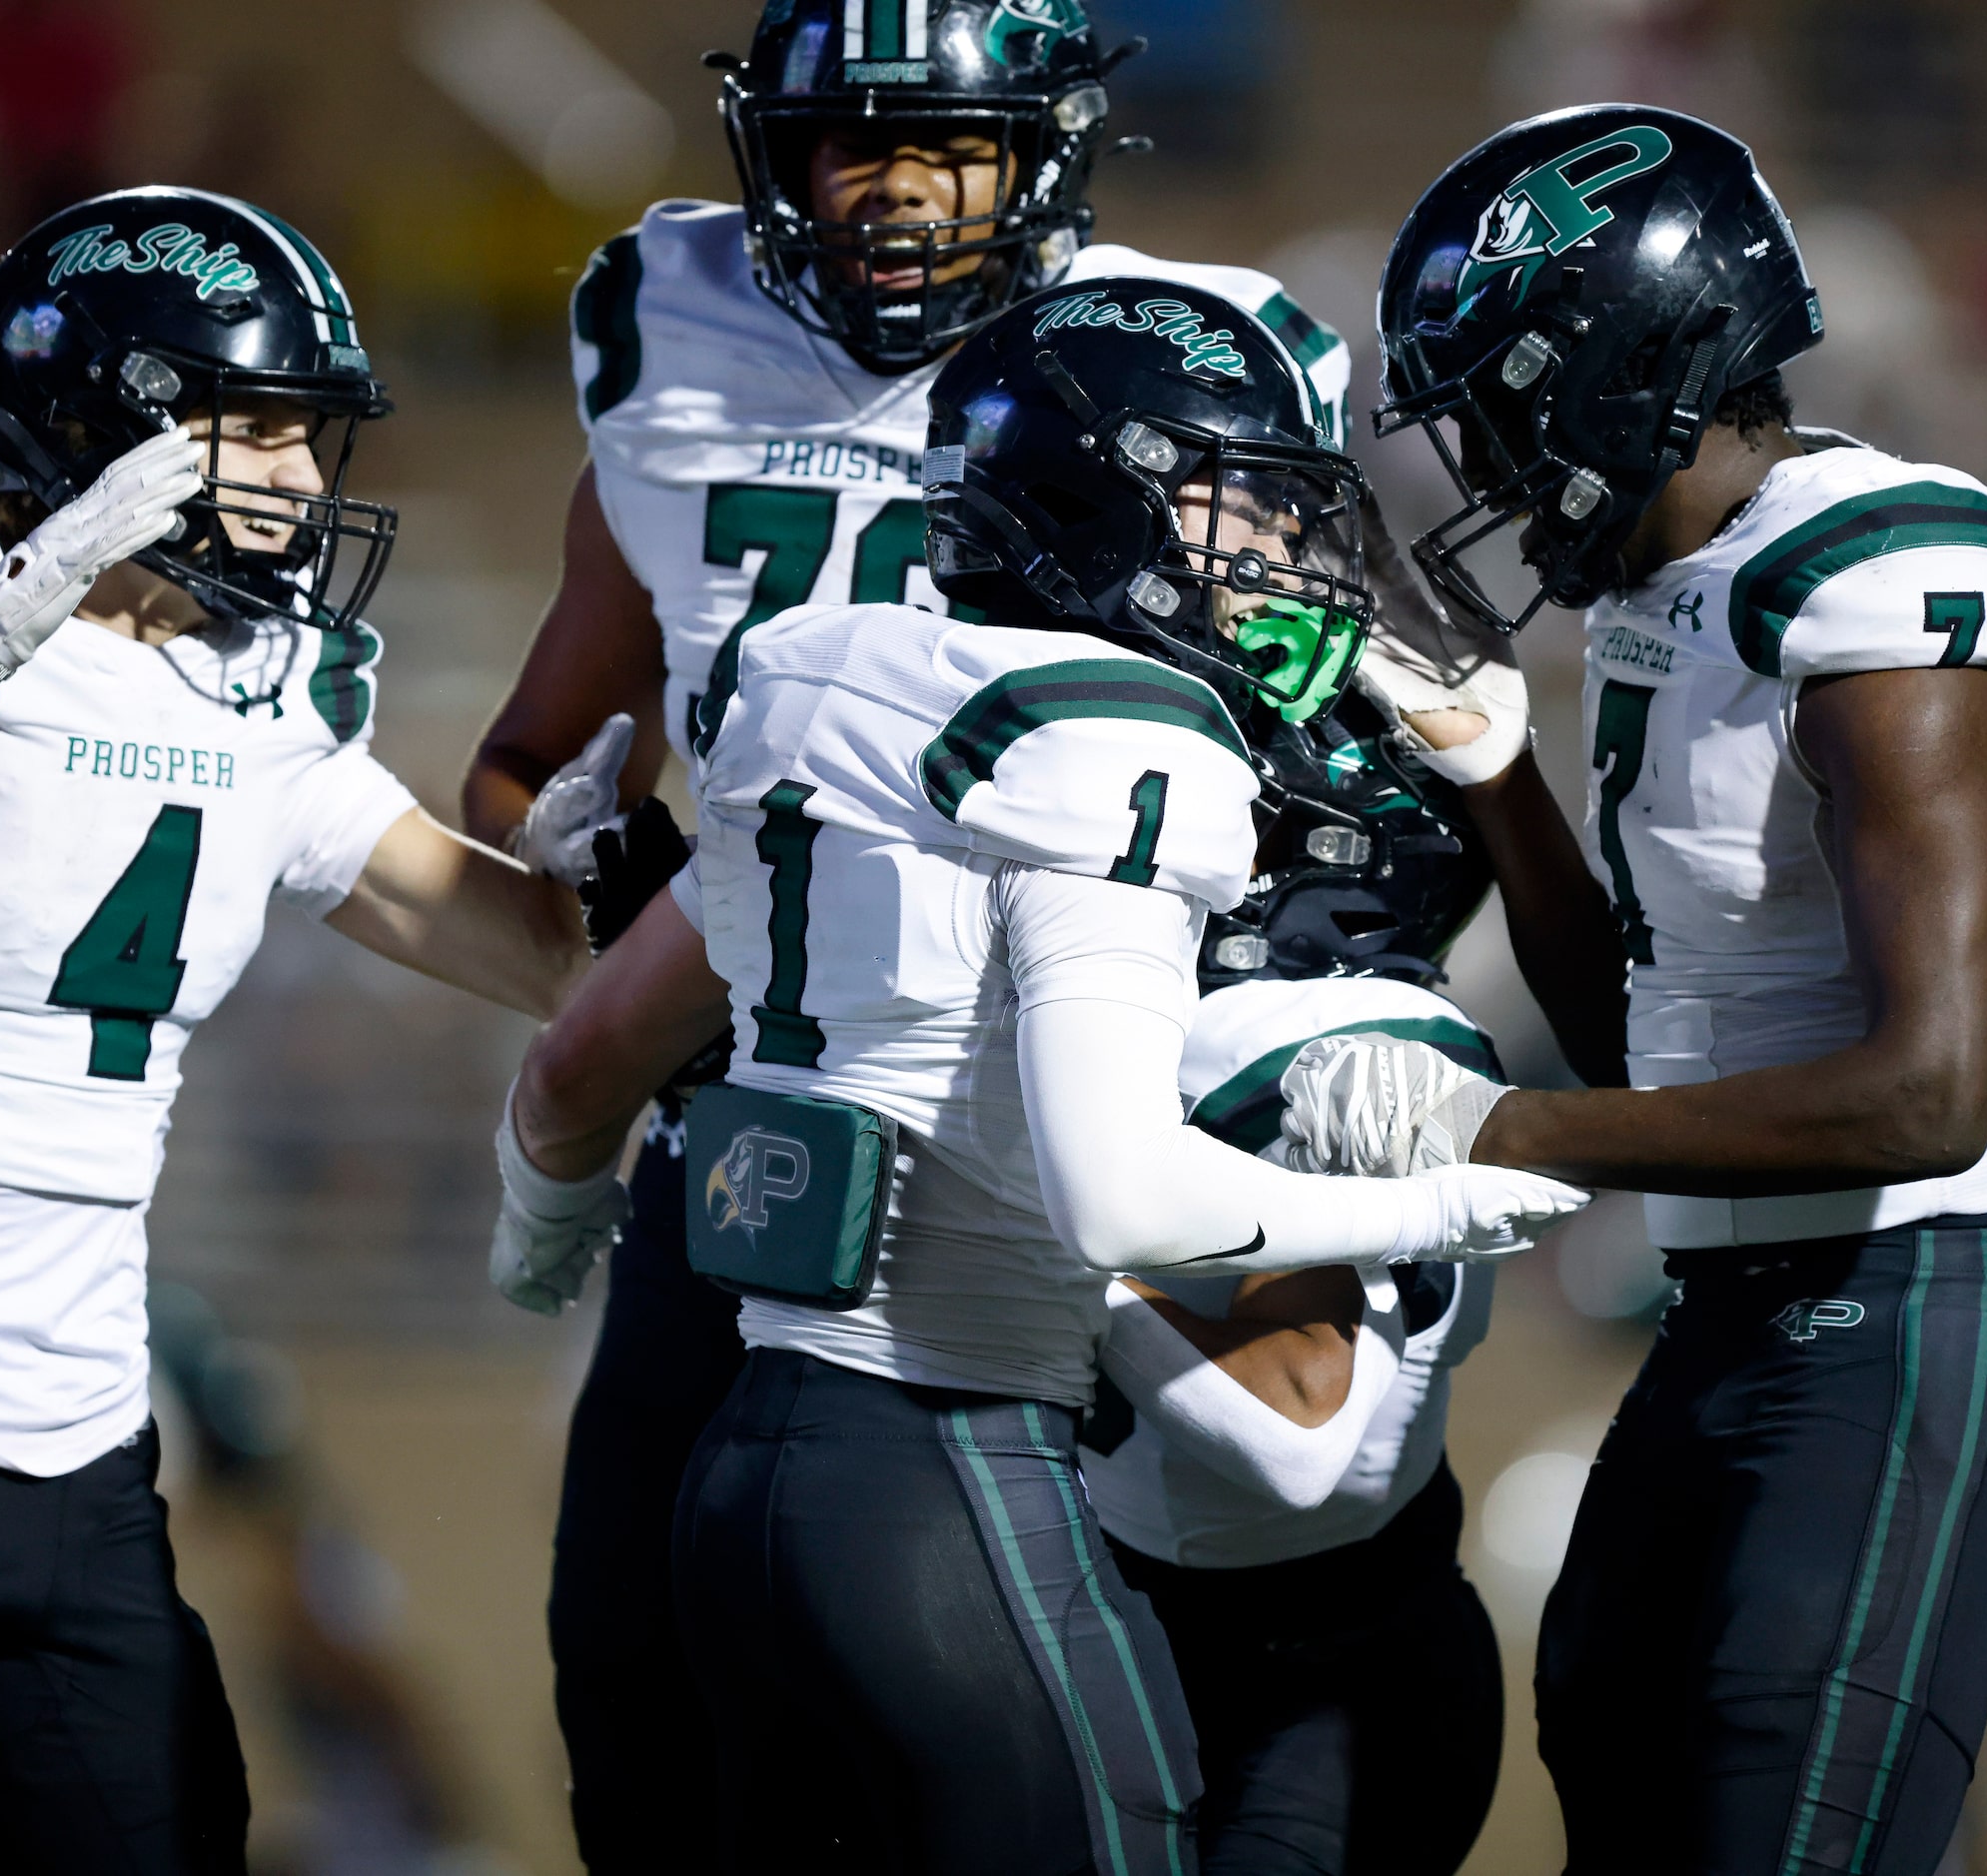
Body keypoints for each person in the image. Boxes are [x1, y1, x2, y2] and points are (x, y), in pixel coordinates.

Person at [494, 279, 1589, 1871]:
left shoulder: (814, 666)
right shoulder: (1134, 743)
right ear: (1098, 489)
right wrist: (1446, 1190)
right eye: (1238, 506)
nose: (1280, 561)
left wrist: (535, 1258)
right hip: (950, 1477)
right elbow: (1122, 1201)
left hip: (740, 1461)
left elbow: (589, 1060)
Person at [458, 4, 1355, 1862]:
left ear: (1049, 147)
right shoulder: (666, 324)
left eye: (952, 141)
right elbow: (533, 759)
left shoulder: (1190, 347)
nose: (898, 190)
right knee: (649, 1720)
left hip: (1062, 1134)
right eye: (851, 141)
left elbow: (1310, 740)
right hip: (761, 1130)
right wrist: (602, 886)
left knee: (1143, 1718)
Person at [0, 186, 590, 1874]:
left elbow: (545, 963)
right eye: (254, 431)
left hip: (90, 1438)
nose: (304, 482)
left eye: (310, 437)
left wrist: (608, 866)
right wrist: (6, 620)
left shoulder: (261, 685)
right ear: (110, 417)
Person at [1285, 105, 1987, 1873]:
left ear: (1629, 364)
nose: (1484, 461)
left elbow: (1924, 1089)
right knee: (1613, 1736)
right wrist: (1498, 780)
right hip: (1735, 1316)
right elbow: (1649, 1054)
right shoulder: (1682, 587)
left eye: (1503, 400)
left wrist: (1494, 1130)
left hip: (1904, 1316)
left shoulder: (1881, 568)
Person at [1083, 690, 1509, 1875]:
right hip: (1305, 1636)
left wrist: (1028, 1254)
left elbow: (1294, 1414)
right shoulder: (1253, 1017)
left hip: (1292, 1680)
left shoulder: (1325, 1033)